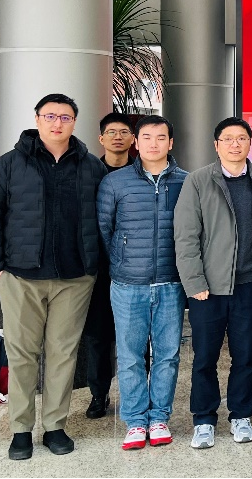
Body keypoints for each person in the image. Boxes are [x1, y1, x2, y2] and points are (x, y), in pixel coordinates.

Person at [0, 94, 107, 461]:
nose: (57, 123)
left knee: (63, 353)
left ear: (74, 122)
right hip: (21, 276)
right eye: (50, 116)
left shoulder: (90, 166)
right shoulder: (11, 164)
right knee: (22, 355)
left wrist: (94, 266)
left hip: (75, 277)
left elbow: (103, 218)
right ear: (37, 119)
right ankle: (20, 429)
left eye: (65, 117)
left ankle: (54, 426)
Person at [174, 118, 252, 450]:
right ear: (216, 145)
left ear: (250, 144)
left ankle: (240, 415)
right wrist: (194, 282)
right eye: (227, 139)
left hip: (250, 285)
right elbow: (186, 236)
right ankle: (204, 419)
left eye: (241, 138)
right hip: (209, 288)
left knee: (246, 356)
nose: (235, 144)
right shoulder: (199, 180)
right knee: (205, 357)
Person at [96, 115, 188, 450]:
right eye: (146, 137)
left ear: (171, 143)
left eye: (161, 137)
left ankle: (159, 418)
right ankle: (135, 421)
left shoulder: (186, 182)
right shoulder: (115, 182)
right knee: (130, 356)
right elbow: (104, 230)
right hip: (127, 284)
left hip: (171, 282)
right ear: (136, 142)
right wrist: (122, 262)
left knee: (168, 355)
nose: (153, 143)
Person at [83, 111, 135, 421]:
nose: (118, 137)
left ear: (133, 139)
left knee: (136, 336)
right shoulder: (89, 173)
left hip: (134, 267)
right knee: (98, 335)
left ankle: (136, 394)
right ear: (101, 138)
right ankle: (98, 394)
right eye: (111, 132)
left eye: (124, 132)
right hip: (98, 267)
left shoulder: (142, 172)